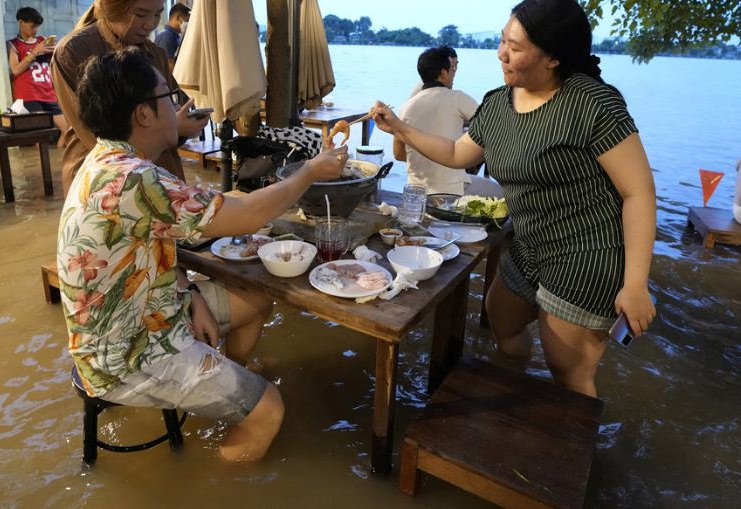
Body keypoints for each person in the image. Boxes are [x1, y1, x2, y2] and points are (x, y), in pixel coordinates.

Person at [58, 47, 347, 461]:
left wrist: (191, 295)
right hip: (126, 356)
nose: (176, 107)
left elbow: (149, 246)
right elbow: (248, 215)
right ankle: (231, 458)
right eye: (168, 99)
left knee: (258, 297)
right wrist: (310, 171)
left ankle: (230, 386)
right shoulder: (133, 178)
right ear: (142, 114)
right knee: (270, 411)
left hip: (144, 315)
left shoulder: (106, 159)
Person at [372, 0, 657, 397]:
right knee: (500, 317)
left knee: (568, 372)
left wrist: (635, 285)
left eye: (516, 46)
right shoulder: (499, 102)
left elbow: (638, 192)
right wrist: (400, 127)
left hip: (587, 253)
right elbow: (457, 154)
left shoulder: (593, 105)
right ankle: (514, 400)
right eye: (502, 40)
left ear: (553, 57)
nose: (501, 53)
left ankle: (569, 447)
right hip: (529, 243)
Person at [51, 0, 208, 194]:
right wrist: (173, 125)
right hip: (106, 181)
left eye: (157, 15)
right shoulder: (73, 51)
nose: (150, 24)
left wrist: (185, 125)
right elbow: (96, 133)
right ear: (112, 9)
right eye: (141, 15)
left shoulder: (155, 53)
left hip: (161, 169)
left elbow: (175, 104)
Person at [395, 46, 498, 196]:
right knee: (499, 192)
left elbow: (398, 154)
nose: (454, 75)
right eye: (452, 70)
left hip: (415, 190)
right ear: (443, 73)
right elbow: (492, 126)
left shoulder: (405, 106)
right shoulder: (457, 98)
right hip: (452, 189)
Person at [7, 7, 68, 147]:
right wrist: (34, 52)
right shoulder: (15, 44)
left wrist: (56, 51)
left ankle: (59, 162)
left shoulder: (42, 40)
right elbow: (15, 70)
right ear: (21, 22)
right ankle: (42, 167)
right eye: (32, 26)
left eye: (37, 26)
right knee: (41, 136)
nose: (35, 30)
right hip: (30, 96)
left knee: (68, 130)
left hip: (48, 93)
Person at [154, 2, 190, 71]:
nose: (188, 24)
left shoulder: (175, 37)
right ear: (179, 19)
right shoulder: (167, 37)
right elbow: (169, 65)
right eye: (187, 20)